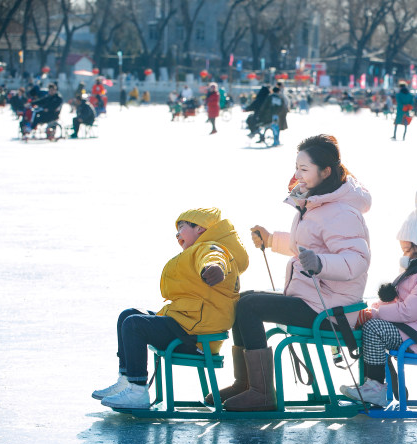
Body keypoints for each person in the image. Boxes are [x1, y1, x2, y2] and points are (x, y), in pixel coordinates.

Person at [216, 134, 371, 411]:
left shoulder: (342, 212)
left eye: (304, 169)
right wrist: (272, 239)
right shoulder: (317, 203)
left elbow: (356, 261)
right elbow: (307, 245)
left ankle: (261, 393)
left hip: (331, 310)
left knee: (250, 307)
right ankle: (247, 383)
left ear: (325, 172)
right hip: (310, 297)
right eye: (296, 167)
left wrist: (321, 263)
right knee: (244, 300)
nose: (297, 175)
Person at [92, 208, 249, 409]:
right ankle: (126, 380)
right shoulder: (199, 249)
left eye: (181, 228)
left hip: (197, 336)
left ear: (200, 228)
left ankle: (137, 390)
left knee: (134, 325)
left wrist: (214, 269)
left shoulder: (210, 247)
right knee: (129, 315)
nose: (177, 235)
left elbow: (215, 257)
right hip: (188, 325)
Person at [339, 191, 417, 407]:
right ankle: (373, 383)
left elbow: (410, 310)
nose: (404, 254)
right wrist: (376, 308)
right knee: (371, 325)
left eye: (407, 248)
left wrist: (375, 313)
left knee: (374, 329)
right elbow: (402, 302)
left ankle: (375, 387)